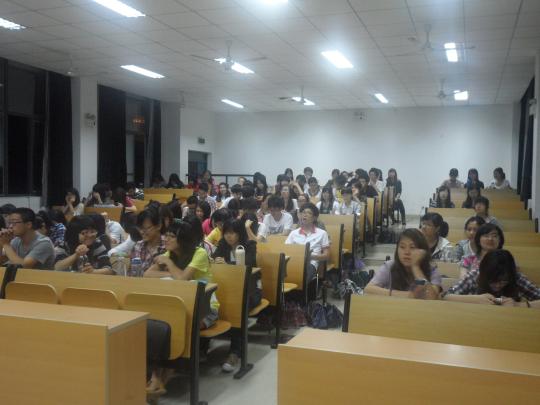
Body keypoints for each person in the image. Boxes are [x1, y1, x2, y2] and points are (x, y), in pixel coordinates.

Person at [144, 219, 218, 393]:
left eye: (171, 236)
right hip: (180, 308)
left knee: (177, 328)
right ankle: (157, 378)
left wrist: (169, 265)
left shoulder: (199, 253)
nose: (166, 239)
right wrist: (172, 271)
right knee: (161, 328)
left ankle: (160, 379)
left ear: (182, 239)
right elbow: (147, 274)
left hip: (206, 308)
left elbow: (183, 279)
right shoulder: (170, 253)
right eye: (166, 235)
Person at [212, 217, 261, 372]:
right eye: (226, 232)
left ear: (240, 233)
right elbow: (214, 261)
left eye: (233, 233)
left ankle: (235, 352)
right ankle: (202, 348)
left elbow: (249, 265)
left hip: (251, 291)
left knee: (237, 309)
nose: (229, 236)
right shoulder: (222, 244)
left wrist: (227, 265)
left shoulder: (250, 245)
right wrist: (215, 262)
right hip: (228, 289)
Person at [365, 228, 442, 298]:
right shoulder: (390, 266)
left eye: (412, 247)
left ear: (422, 251)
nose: (407, 252)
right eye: (402, 247)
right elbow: (368, 289)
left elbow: (431, 297)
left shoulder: (431, 269)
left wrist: (415, 267)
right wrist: (405, 295)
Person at [445, 250, 540, 305]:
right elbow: (446, 297)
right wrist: (475, 299)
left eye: (503, 281)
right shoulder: (474, 276)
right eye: (492, 281)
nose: (497, 285)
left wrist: (518, 305)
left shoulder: (517, 278)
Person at [285, 203, 330, 283]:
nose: (305, 215)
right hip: (293, 262)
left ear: (314, 218)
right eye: (303, 212)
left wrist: (310, 257)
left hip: (311, 263)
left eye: (309, 213)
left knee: (303, 273)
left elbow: (326, 255)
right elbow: (286, 250)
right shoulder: (293, 233)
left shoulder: (322, 233)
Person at [130, 209, 166, 275]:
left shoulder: (168, 245)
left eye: (145, 228)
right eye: (140, 228)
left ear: (159, 226)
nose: (141, 232)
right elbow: (132, 273)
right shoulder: (137, 246)